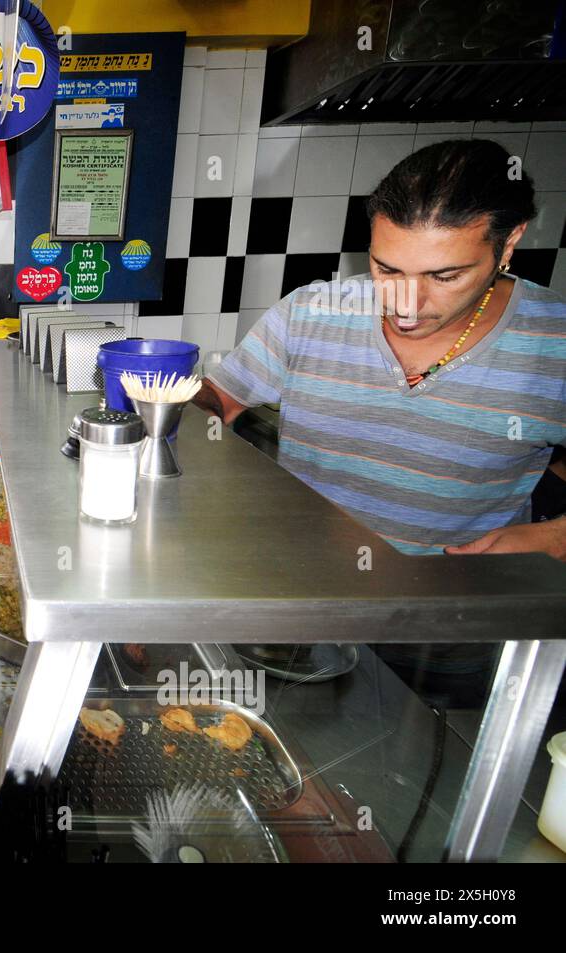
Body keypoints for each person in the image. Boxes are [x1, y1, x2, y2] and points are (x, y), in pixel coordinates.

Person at [195, 139, 566, 705]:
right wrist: (158, 394)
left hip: (447, 643)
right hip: (300, 619)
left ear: (509, 241)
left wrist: (554, 538)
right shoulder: (311, 312)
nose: (406, 303)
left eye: (444, 276)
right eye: (386, 268)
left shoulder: (555, 343)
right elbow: (218, 405)